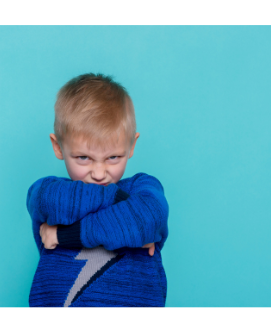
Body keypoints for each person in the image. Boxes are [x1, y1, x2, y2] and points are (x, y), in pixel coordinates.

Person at [26, 73, 169, 308]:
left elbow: (150, 216)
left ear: (131, 145)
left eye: (113, 157)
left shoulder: (143, 188)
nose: (100, 173)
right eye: (84, 158)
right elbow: (44, 201)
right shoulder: (48, 192)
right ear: (58, 146)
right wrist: (123, 210)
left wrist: (64, 235)